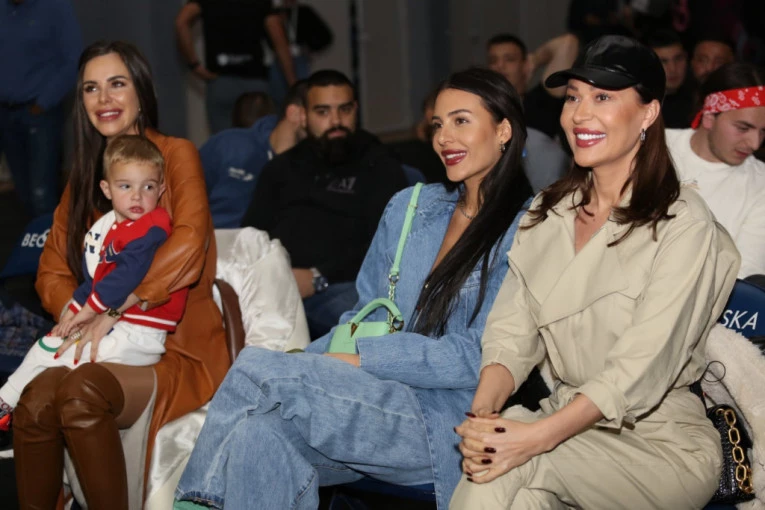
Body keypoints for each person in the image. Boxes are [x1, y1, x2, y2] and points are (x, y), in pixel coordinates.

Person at [174, 67, 534, 510]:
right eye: (438, 124)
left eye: (461, 121)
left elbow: (480, 355)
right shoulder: (411, 207)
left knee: (256, 367)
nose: (444, 138)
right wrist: (312, 363)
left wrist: (362, 360)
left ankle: (194, 502)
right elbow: (363, 315)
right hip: (367, 400)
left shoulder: (529, 230)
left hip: (445, 419)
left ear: (503, 130)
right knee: (257, 432)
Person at [451, 35, 740, 509]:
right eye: (573, 98)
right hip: (564, 421)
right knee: (501, 472)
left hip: (658, 442)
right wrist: (482, 417)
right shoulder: (549, 211)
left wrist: (533, 438)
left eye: (603, 98)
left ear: (648, 113)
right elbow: (511, 333)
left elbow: (639, 368)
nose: (579, 115)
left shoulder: (683, 223)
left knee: (508, 463)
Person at [17, 41, 229, 509]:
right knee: (35, 397)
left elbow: (189, 246)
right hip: (98, 340)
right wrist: (77, 317)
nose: (104, 99)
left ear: (141, 91)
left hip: (175, 347)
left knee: (80, 394)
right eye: (91, 88)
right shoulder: (86, 176)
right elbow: (50, 270)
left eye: (117, 83)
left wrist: (113, 309)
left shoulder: (175, 154)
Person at [0, 135, 187, 436]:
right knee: (48, 346)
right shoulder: (113, 227)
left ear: (161, 189)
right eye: (126, 186)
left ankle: (5, 404)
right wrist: (73, 312)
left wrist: (86, 312)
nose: (137, 197)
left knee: (48, 355)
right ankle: (9, 408)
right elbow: (96, 280)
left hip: (139, 337)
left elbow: (123, 278)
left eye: (148, 187)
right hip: (118, 326)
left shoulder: (151, 228)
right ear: (107, 189)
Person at [241, 69, 409, 339]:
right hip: (277, 286)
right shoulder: (280, 169)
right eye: (323, 112)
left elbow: (390, 244)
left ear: (356, 110)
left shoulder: (380, 166)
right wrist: (277, 276)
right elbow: (251, 234)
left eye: (344, 110)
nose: (336, 121)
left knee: (366, 331)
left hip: (348, 285)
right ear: (304, 116)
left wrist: (319, 277)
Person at [666, 61, 765, 279]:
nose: (755, 144)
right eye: (743, 128)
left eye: (763, 132)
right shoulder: (655, 148)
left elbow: (744, 276)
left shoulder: (760, 184)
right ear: (709, 117)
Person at [0, 0, 82, 218]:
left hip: (40, 114)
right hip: (5, 113)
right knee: (23, 191)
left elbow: (73, 60)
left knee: (42, 193)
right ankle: (35, 237)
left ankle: (52, 238)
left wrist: (44, 102)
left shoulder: (55, 7)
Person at [175, 0, 296, 133]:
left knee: (224, 142)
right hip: (254, 83)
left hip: (221, 83)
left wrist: (194, 65)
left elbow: (181, 21)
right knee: (259, 139)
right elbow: (280, 42)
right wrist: (293, 84)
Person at [202, 81, 306, 228]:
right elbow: (181, 196)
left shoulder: (315, 168)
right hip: (217, 236)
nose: (334, 120)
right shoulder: (229, 145)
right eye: (321, 112)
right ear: (295, 113)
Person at [486, 33, 571, 192]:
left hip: (548, 200)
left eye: (509, 59)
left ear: (525, 65)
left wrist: (535, 60)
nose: (500, 66)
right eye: (493, 60)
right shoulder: (481, 113)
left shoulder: (541, 102)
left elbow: (568, 43)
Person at [645, 29, 696, 128]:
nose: (673, 69)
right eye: (663, 61)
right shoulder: (639, 105)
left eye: (678, 59)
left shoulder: (699, 101)